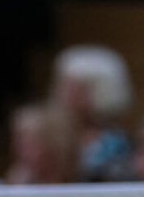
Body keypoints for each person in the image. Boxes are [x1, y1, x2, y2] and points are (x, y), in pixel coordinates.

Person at [50, 45, 134, 182]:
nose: (64, 95)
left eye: (74, 89)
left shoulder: (114, 143)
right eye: (64, 87)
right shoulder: (52, 136)